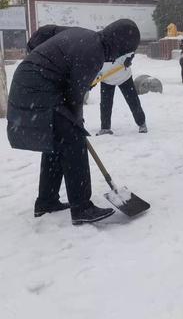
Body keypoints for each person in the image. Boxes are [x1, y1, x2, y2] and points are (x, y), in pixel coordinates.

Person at [7, 19, 140, 225]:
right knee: (73, 141)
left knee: (57, 141)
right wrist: (76, 121)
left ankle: (47, 201)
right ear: (119, 44)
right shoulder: (93, 53)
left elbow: (46, 34)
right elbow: (74, 95)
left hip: (30, 84)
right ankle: (82, 207)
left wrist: (36, 57)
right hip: (39, 90)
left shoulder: (87, 36)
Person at [96, 52, 147, 135]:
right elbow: (94, 65)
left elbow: (130, 47)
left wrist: (128, 57)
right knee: (105, 104)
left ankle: (141, 123)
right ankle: (105, 128)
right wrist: (94, 78)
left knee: (132, 100)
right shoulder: (97, 46)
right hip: (106, 78)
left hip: (123, 75)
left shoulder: (117, 40)